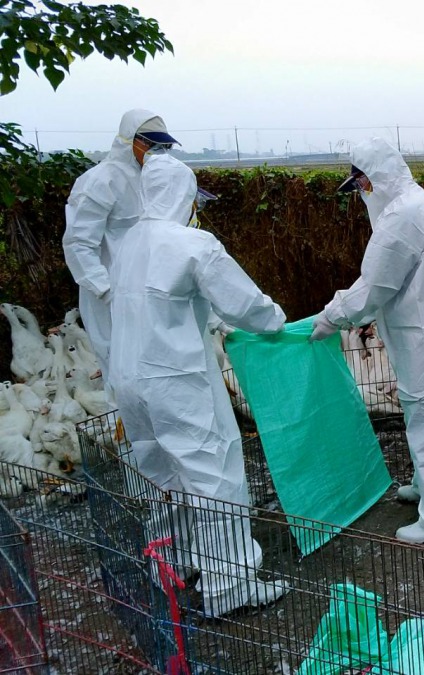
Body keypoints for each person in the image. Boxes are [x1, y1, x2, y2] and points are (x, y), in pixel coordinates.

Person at [107, 154, 290, 617]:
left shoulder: (128, 242)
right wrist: (274, 321)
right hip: (175, 380)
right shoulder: (194, 243)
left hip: (128, 379)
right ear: (184, 196)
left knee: (162, 474)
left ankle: (172, 562)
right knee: (215, 477)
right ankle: (229, 587)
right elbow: (244, 302)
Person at [310, 138, 424, 545]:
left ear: (375, 177)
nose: (362, 193)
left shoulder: (403, 216)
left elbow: (376, 285)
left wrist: (332, 316)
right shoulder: (423, 205)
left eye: (362, 184)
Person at [64, 109, 179, 384]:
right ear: (130, 140)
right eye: (151, 145)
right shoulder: (99, 182)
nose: (157, 152)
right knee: (123, 367)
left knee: (160, 368)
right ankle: (127, 425)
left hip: (151, 288)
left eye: (165, 146)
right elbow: (79, 243)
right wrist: (106, 291)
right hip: (111, 294)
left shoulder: (152, 179)